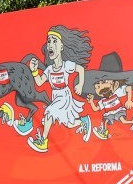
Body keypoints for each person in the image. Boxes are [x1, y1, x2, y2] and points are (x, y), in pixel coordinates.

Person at [27, 25, 93, 153]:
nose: (51, 44)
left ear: (61, 47)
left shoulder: (66, 66)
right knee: (68, 123)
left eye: (54, 41)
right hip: (56, 97)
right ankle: (83, 121)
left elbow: (80, 69)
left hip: (64, 96)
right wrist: (34, 71)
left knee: (49, 113)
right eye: (49, 41)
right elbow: (39, 82)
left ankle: (43, 141)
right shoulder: (49, 69)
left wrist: (80, 84)